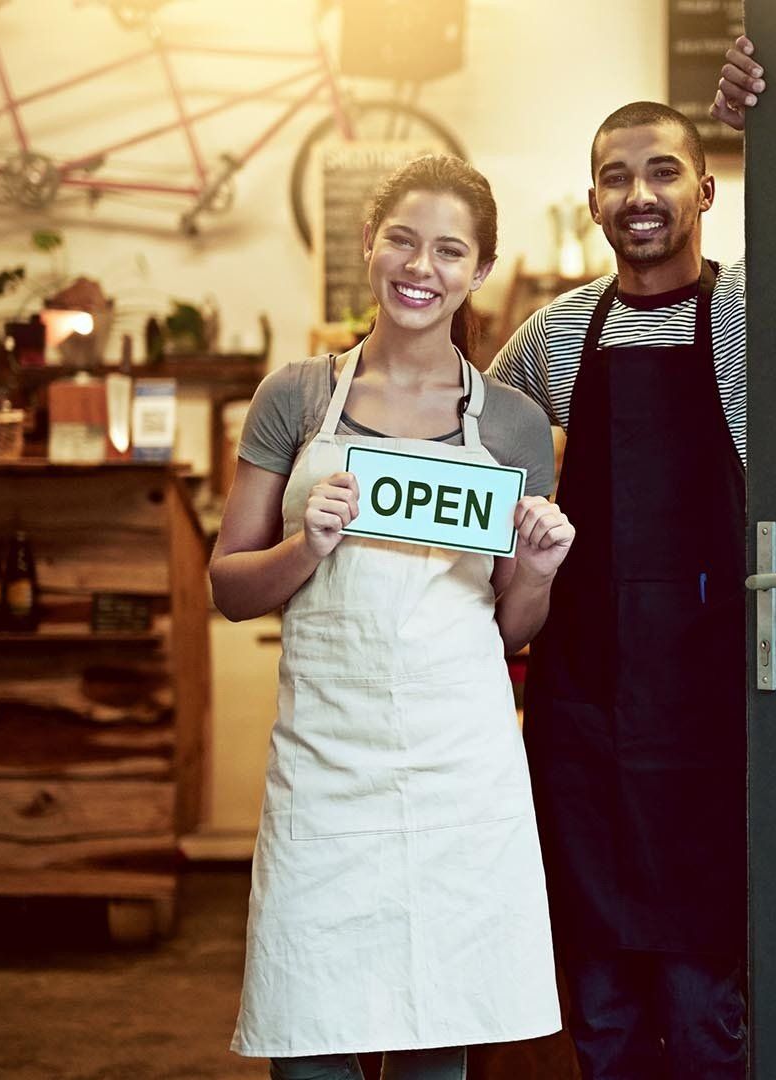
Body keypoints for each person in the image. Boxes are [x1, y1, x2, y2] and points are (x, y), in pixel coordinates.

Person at [488, 36, 776, 1080]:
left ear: (707, 189)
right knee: (598, 1009)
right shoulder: (554, 339)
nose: (639, 195)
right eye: (615, 176)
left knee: (703, 1011)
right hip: (589, 721)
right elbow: (466, 436)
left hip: (723, 712)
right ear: (591, 203)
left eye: (663, 171)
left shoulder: (752, 310)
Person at [213, 154, 575, 1080]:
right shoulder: (294, 398)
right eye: (404, 241)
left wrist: (535, 569)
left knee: (435, 1046)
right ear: (370, 246)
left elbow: (511, 628)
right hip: (325, 767)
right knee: (308, 1044)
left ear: (479, 270)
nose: (422, 267)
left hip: (457, 768)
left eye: (450, 250)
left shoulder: (514, 426)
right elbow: (227, 587)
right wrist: (307, 547)